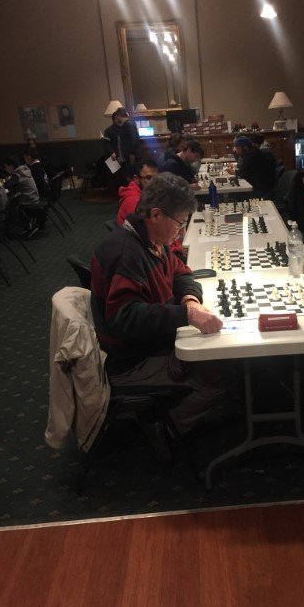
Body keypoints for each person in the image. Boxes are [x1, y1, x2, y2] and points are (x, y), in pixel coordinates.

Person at [91, 172, 225, 434]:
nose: (181, 232)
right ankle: (164, 432)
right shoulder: (127, 253)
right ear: (155, 214)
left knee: (212, 355)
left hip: (153, 343)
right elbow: (125, 318)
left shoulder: (152, 240)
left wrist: (190, 300)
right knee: (216, 380)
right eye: (179, 223)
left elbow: (180, 272)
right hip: (132, 360)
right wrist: (186, 316)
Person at [102, 107, 141, 186]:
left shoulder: (126, 126)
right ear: (114, 119)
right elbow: (105, 144)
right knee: (115, 177)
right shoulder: (108, 130)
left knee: (125, 176)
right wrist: (111, 152)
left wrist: (131, 153)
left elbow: (133, 140)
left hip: (124, 157)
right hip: (113, 157)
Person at [116, 159, 159, 226]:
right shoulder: (134, 201)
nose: (154, 182)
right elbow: (145, 228)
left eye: (156, 178)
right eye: (148, 178)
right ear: (136, 179)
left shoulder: (147, 193)